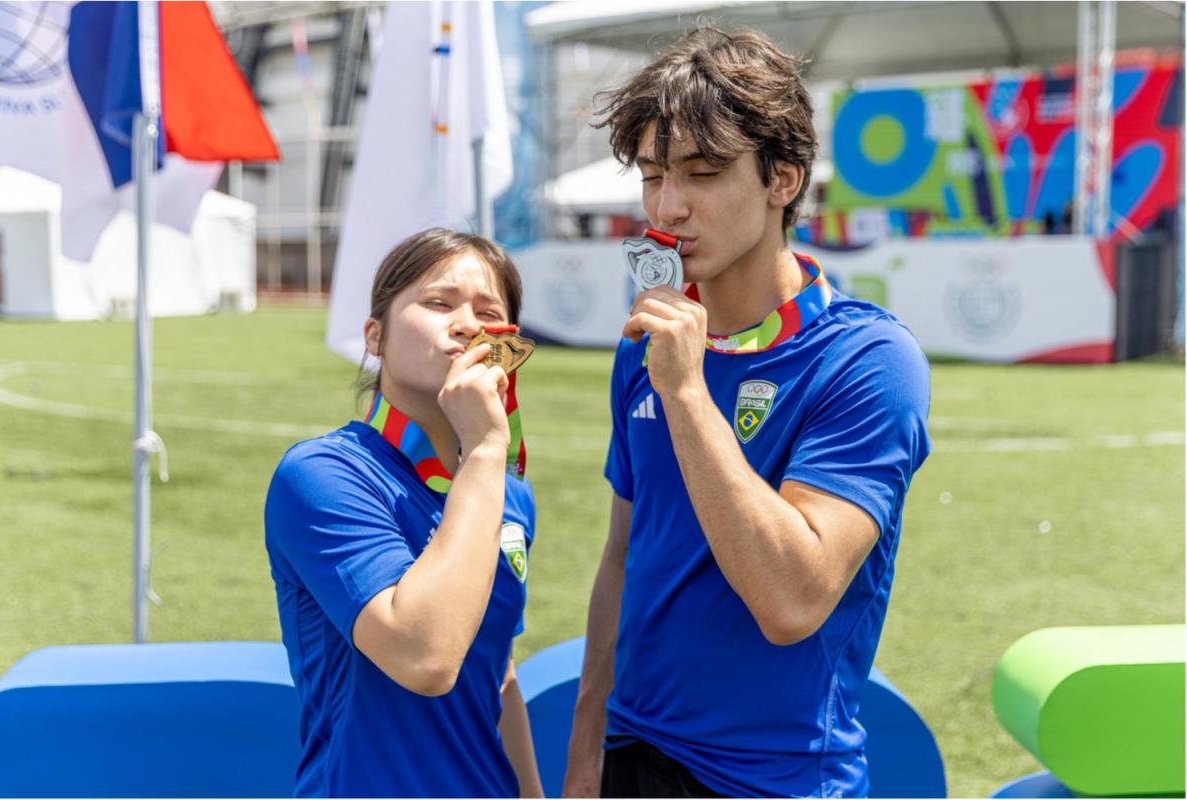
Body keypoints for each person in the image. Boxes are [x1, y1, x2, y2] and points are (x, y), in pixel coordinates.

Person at [563, 28, 931, 798]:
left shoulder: (867, 359)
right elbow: (622, 556)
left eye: (703, 173)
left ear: (783, 179)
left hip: (778, 779)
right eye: (653, 175)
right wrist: (586, 746)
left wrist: (688, 394)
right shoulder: (650, 344)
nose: (668, 207)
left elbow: (792, 600)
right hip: (631, 755)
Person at [265, 228, 543, 798]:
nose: (466, 325)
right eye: (439, 303)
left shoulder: (509, 493)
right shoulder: (321, 474)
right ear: (376, 336)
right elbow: (426, 657)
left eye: (489, 313)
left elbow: (497, 673)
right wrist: (485, 449)